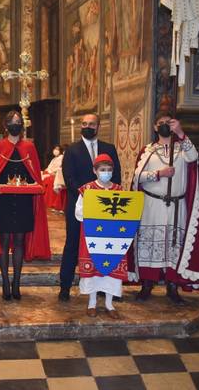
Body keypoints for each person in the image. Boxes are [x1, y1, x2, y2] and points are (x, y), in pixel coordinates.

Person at [128, 111, 199, 303]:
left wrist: (181, 133)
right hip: (152, 205)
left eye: (168, 123)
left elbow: (194, 156)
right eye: (160, 123)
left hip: (176, 206)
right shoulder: (148, 151)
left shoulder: (182, 149)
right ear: (155, 127)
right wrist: (158, 174)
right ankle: (147, 284)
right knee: (150, 245)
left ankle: (172, 286)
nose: (164, 125)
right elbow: (138, 178)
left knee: (173, 246)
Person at [0, 111, 51, 300]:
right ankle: (5, 284)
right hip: (4, 201)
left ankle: (16, 283)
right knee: (3, 241)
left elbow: (35, 175)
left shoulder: (30, 147)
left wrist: (36, 185)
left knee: (19, 242)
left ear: (22, 126)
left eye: (18, 122)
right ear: (5, 125)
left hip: (24, 200)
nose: (15, 125)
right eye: (12, 122)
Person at [58, 113, 121, 302]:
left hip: (105, 207)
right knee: (72, 245)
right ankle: (65, 286)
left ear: (98, 127)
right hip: (78, 205)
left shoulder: (109, 149)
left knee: (103, 248)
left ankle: (103, 287)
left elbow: (116, 176)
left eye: (91, 124)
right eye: (84, 123)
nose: (87, 127)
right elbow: (69, 178)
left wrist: (106, 197)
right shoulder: (72, 150)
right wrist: (88, 195)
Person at [76, 154, 126, 319]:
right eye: (102, 170)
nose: (106, 173)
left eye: (109, 170)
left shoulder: (119, 190)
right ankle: (92, 303)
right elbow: (78, 212)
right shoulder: (87, 189)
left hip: (113, 237)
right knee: (94, 269)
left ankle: (109, 304)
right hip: (92, 236)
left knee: (111, 269)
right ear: (95, 171)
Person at [43, 145, 66, 213]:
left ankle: (50, 202)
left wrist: (50, 172)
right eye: (55, 148)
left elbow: (57, 168)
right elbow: (49, 167)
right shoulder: (54, 158)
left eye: (57, 149)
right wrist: (47, 171)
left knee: (50, 180)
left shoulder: (61, 157)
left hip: (55, 174)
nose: (55, 150)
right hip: (50, 172)